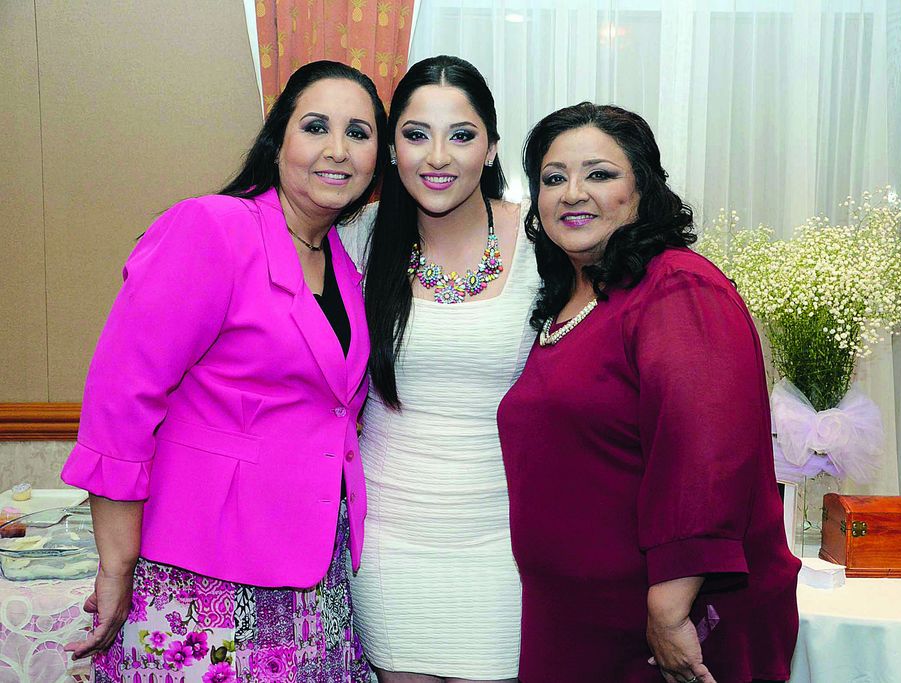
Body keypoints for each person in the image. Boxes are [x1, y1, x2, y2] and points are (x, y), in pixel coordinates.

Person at [60, 60, 388, 683]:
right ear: (278, 140)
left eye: (359, 133)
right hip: (201, 575)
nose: (338, 150)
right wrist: (116, 560)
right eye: (315, 126)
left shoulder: (343, 263)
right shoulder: (213, 227)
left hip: (313, 577)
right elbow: (123, 395)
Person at [496, 102, 800, 683]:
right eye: (553, 178)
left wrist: (670, 606)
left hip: (658, 625)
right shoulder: (572, 299)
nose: (572, 193)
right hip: (575, 620)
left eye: (599, 174)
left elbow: (706, 455)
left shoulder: (677, 286)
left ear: (643, 189)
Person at [339, 55, 538, 682]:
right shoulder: (355, 237)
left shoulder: (542, 241)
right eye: (417, 134)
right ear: (391, 148)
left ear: (492, 147)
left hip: (503, 542)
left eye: (461, 135)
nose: (438, 157)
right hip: (389, 541)